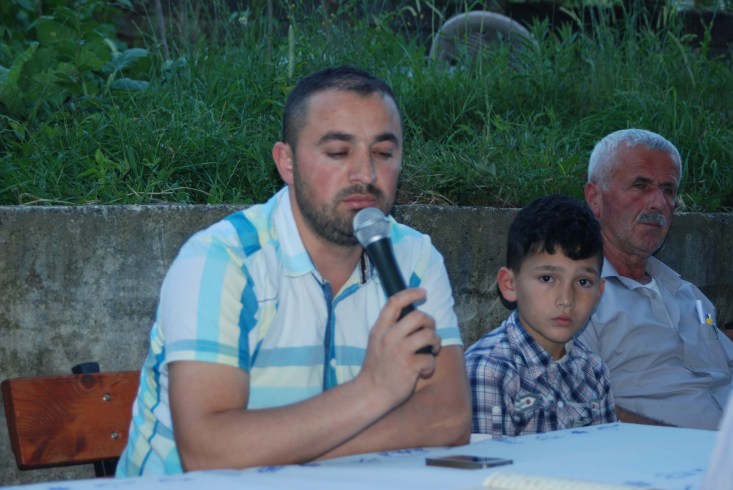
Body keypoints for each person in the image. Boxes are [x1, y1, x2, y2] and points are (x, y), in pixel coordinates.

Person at [116, 66, 471, 476]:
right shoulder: (223, 260)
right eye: (338, 152)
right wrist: (373, 391)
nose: (366, 174)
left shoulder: (415, 257)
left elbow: (449, 418)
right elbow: (208, 451)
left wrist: (279, 446)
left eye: (383, 153)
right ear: (287, 162)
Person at [579, 128, 733, 430]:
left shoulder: (687, 293)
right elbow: (577, 408)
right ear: (595, 198)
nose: (658, 202)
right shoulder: (577, 300)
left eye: (668, 190)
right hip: (676, 454)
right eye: (641, 185)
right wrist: (683, 443)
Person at [465, 194, 616, 437]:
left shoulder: (593, 371)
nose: (566, 299)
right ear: (510, 284)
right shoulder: (489, 371)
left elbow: (606, 454)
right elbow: (484, 461)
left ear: (599, 292)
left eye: (583, 282)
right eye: (547, 278)